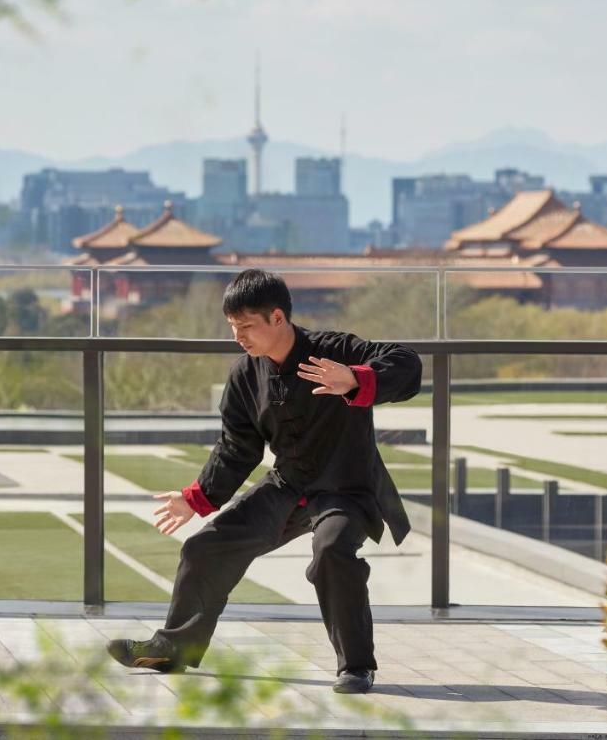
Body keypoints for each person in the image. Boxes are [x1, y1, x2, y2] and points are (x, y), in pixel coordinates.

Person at [106, 269, 422, 694]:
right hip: (287, 486)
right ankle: (173, 650)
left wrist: (356, 379)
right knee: (205, 547)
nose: (239, 337)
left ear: (277, 318)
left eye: (246, 326)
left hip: (345, 490)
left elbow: (407, 363)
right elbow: (237, 449)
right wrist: (196, 498)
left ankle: (356, 667)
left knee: (331, 552)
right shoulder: (244, 376)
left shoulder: (335, 350)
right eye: (233, 327)